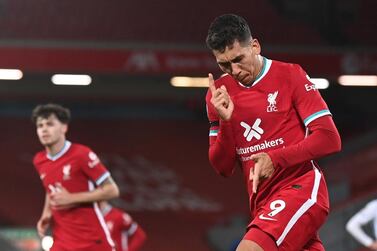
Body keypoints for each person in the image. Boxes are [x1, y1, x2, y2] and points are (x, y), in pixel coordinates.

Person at [205, 14, 341, 251]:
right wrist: (226, 122)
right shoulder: (217, 94)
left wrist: (275, 158)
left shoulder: (290, 75)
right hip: (261, 202)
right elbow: (222, 167)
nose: (234, 70)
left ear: (255, 46)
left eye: (239, 59)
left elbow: (329, 139)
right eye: (224, 64)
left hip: (300, 188)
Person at [32, 103, 120, 251]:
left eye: (50, 124)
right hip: (62, 240)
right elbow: (50, 188)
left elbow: (112, 190)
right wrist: (46, 214)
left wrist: (71, 198)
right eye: (40, 126)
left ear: (64, 128)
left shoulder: (81, 154)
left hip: (91, 240)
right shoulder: (39, 160)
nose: (44, 129)